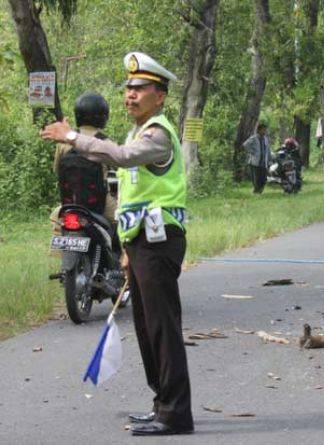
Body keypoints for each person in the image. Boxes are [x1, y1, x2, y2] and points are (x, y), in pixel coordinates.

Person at [41, 52, 193, 436]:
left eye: (140, 88)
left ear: (160, 96)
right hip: (141, 242)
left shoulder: (158, 134)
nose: (130, 95)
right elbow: (130, 197)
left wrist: (73, 137)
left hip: (161, 241)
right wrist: (126, 251)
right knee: (145, 326)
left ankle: (175, 413)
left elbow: (123, 160)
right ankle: (162, 404)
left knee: (162, 327)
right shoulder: (137, 131)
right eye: (127, 89)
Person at [50, 92, 116, 233]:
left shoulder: (63, 143)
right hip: (100, 204)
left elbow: (57, 170)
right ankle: (123, 255)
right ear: (104, 117)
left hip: (70, 203)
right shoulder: (107, 143)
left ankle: (61, 252)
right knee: (122, 222)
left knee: (56, 220)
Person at [244, 122, 272, 194]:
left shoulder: (266, 139)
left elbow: (268, 150)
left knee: (264, 179)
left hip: (264, 163)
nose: (265, 131)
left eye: (265, 130)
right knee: (256, 179)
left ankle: (259, 191)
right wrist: (252, 151)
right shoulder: (254, 138)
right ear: (259, 130)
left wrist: (270, 159)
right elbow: (245, 145)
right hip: (255, 162)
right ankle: (256, 192)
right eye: (263, 130)